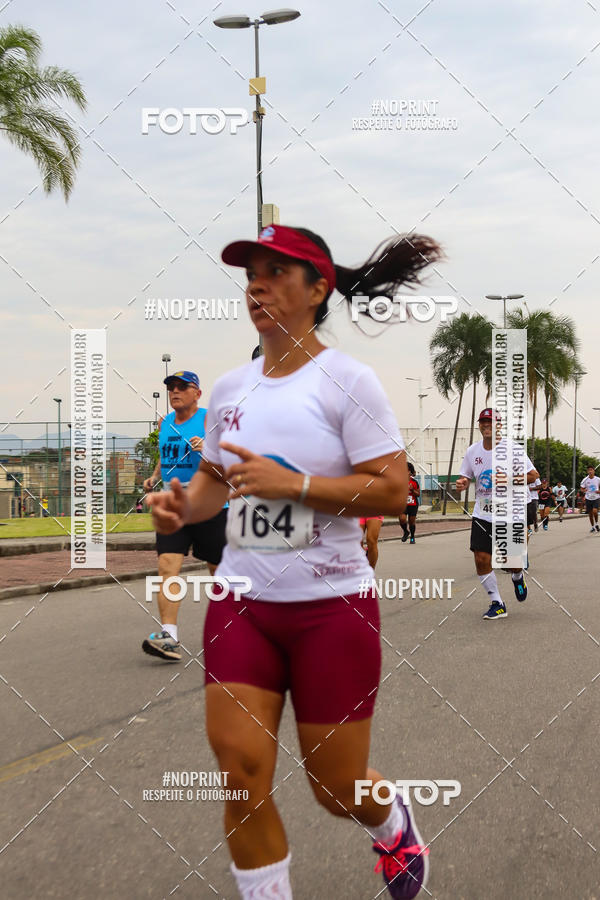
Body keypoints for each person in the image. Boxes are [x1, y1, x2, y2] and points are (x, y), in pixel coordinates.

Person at [148, 224, 443, 899]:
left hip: (331, 608)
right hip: (242, 604)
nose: (257, 284)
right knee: (240, 770)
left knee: (336, 790)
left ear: (317, 290)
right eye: (251, 272)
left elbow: (394, 489)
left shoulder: (347, 382)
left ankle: (391, 820)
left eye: (276, 272)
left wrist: (299, 486)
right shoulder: (228, 390)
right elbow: (213, 487)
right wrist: (180, 509)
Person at [142, 370, 227, 661]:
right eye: (171, 387)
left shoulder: (209, 420)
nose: (175, 391)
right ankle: (169, 636)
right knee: (167, 566)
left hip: (209, 506)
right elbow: (164, 454)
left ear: (197, 393)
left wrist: (208, 449)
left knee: (218, 573)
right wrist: (154, 476)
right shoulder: (165, 423)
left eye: (182, 387)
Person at [455, 408, 539, 620]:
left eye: (491, 422)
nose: (486, 425)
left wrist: (510, 479)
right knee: (481, 558)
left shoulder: (513, 449)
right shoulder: (472, 451)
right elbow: (465, 475)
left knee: (510, 562)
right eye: (483, 422)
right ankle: (497, 603)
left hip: (509, 514)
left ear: (499, 425)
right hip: (483, 514)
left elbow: (533, 475)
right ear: (479, 425)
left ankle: (518, 576)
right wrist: (463, 482)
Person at [399, 462, 420, 544]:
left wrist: (412, 490)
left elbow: (418, 494)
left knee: (411, 522)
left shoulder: (414, 482)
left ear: (410, 472)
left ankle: (412, 536)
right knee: (402, 519)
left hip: (413, 504)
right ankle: (405, 531)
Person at [580, 465, 600, 533]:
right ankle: (593, 527)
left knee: (595, 511)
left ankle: (597, 523)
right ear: (587, 471)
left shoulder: (598, 479)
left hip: (596, 497)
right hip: (588, 498)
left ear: (594, 471)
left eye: (592, 470)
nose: (590, 471)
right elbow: (582, 488)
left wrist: (599, 491)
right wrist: (583, 490)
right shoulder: (585, 480)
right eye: (589, 470)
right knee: (590, 514)